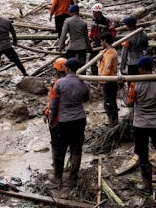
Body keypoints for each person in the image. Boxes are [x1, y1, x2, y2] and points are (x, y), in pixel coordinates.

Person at [125, 56, 156, 194]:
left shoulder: (135, 83)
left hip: (140, 125)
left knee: (143, 155)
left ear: (141, 68)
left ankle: (147, 186)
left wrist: (121, 88)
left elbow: (129, 103)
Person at [47, 57, 91, 185]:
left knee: (60, 150)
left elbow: (53, 105)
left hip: (64, 121)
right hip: (79, 119)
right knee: (76, 149)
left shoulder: (59, 83)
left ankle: (58, 178)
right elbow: (87, 99)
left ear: (68, 68)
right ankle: (72, 178)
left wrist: (51, 118)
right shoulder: (84, 84)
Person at [0, 7, 28, 90]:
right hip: (7, 46)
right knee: (16, 60)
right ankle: (25, 73)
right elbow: (13, 32)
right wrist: (15, 41)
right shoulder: (6, 21)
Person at [44, 58, 67, 184]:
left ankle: (57, 175)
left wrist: (49, 116)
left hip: (58, 120)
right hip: (71, 120)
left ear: (57, 70)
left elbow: (53, 106)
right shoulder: (76, 82)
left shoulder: (56, 85)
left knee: (57, 146)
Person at [89, 3, 117, 76]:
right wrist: (91, 37)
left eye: (94, 12)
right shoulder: (93, 20)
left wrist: (109, 41)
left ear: (98, 13)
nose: (93, 14)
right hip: (95, 43)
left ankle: (104, 76)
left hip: (104, 44)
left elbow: (113, 31)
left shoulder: (107, 21)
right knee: (92, 61)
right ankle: (94, 77)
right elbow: (92, 31)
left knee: (104, 61)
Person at [98, 31, 119, 126]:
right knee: (111, 103)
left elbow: (107, 69)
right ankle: (114, 123)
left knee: (109, 104)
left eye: (101, 41)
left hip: (109, 81)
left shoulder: (110, 53)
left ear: (105, 41)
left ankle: (112, 124)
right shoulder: (108, 51)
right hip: (110, 80)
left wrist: (101, 81)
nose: (100, 43)